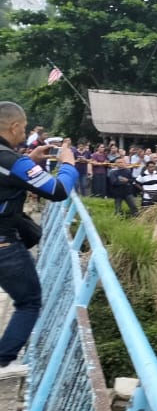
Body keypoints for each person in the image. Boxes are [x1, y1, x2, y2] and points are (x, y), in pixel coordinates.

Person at [0, 103, 79, 368]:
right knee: (30, 301)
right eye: (23, 128)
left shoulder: (14, 161)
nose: (24, 133)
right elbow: (56, 190)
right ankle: (3, 360)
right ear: (14, 127)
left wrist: (30, 161)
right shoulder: (11, 161)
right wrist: (68, 165)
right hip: (4, 245)